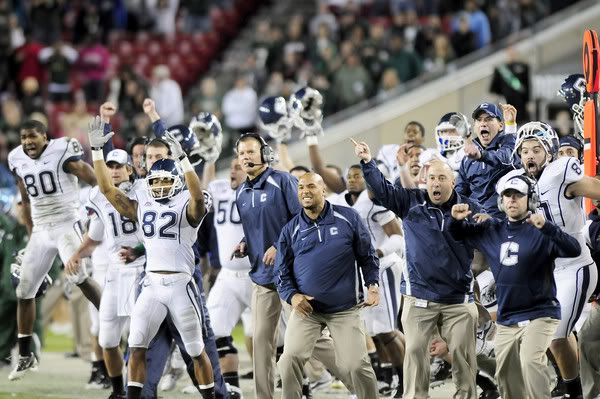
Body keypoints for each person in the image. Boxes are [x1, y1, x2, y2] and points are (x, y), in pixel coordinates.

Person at [87, 117, 215, 399]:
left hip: (181, 285)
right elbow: (108, 190)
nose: (157, 186)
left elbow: (198, 200)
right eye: (154, 181)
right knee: (135, 345)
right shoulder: (142, 201)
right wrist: (97, 152)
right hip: (152, 285)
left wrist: (182, 159)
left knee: (196, 349)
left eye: (164, 181)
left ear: (177, 181)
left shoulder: (187, 202)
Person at [353, 139, 480, 399]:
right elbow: (382, 189)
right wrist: (367, 162)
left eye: (442, 178)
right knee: (414, 356)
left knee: (464, 359)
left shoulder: (468, 207)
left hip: (457, 299)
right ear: (425, 180)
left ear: (452, 182)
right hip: (419, 296)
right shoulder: (411, 202)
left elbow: (481, 237)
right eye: (432, 177)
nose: (436, 183)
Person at [234, 132, 350, 399]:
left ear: (264, 153)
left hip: (291, 275)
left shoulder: (283, 180)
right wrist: (244, 243)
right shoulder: (241, 191)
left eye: (251, 151)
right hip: (262, 277)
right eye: (242, 153)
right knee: (261, 340)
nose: (246, 157)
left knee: (315, 339)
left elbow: (303, 219)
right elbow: (254, 228)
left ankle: (358, 380)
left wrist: (278, 244)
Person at [449, 174, 581, 399]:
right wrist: (456, 220)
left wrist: (548, 228)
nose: (512, 200)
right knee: (506, 377)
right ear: (501, 201)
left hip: (540, 314)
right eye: (507, 195)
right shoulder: (492, 229)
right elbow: (457, 235)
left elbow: (574, 250)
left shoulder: (540, 229)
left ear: (530, 200)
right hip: (507, 318)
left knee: (531, 362)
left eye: (518, 195)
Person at [503, 121, 600, 398]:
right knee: (556, 341)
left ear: (550, 151)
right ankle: (575, 391)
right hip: (546, 273)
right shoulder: (517, 184)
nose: (529, 155)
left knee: (553, 335)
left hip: (575, 266)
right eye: (524, 150)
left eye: (536, 149)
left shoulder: (559, 174)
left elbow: (594, 187)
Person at [7, 119, 102, 381]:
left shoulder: (61, 150)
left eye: (33, 137)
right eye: (24, 137)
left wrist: (108, 196)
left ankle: (109, 320)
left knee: (79, 278)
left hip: (66, 224)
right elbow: (25, 200)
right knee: (24, 291)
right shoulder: (16, 158)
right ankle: (26, 355)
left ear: (45, 137)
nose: (27, 142)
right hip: (40, 229)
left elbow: (90, 176)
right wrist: (30, 238)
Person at [276, 172, 380, 399]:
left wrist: (372, 285)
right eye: (301, 187)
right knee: (289, 359)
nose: (305, 191)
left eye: (311, 186)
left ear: (323, 190)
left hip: (344, 308)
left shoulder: (348, 218)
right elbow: (281, 273)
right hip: (308, 310)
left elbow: (367, 256)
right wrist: (293, 296)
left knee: (356, 366)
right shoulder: (290, 229)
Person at [66, 149, 145, 399]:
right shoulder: (99, 197)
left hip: (144, 270)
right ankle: (118, 391)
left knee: (139, 339)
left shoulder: (143, 190)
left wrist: (141, 250)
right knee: (107, 339)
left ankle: (140, 390)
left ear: (129, 170)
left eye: (119, 166)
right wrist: (77, 254)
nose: (114, 170)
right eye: (109, 166)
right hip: (116, 273)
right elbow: (94, 236)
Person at [203, 157, 251, 399]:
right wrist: (210, 158)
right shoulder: (220, 188)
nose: (232, 170)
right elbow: (201, 193)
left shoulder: (259, 192)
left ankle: (303, 387)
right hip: (228, 275)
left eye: (238, 166)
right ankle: (232, 388)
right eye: (231, 166)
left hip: (259, 276)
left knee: (282, 341)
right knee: (213, 330)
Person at [455, 103, 517, 218]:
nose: (483, 123)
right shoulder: (467, 159)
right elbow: (459, 193)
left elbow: (506, 158)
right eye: (479, 120)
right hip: (473, 221)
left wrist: (481, 155)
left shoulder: (508, 144)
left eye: (488, 119)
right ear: (474, 127)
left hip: (501, 222)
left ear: (501, 126)